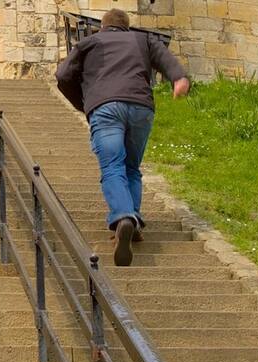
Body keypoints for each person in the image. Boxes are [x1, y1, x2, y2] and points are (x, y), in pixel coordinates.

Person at [55, 9, 189, 267]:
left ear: (102, 27)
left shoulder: (90, 42)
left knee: (113, 166)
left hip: (105, 108)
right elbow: (165, 58)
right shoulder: (143, 40)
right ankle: (133, 219)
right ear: (126, 27)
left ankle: (123, 216)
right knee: (131, 167)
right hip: (140, 107)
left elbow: (62, 76)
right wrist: (179, 78)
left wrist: (83, 104)